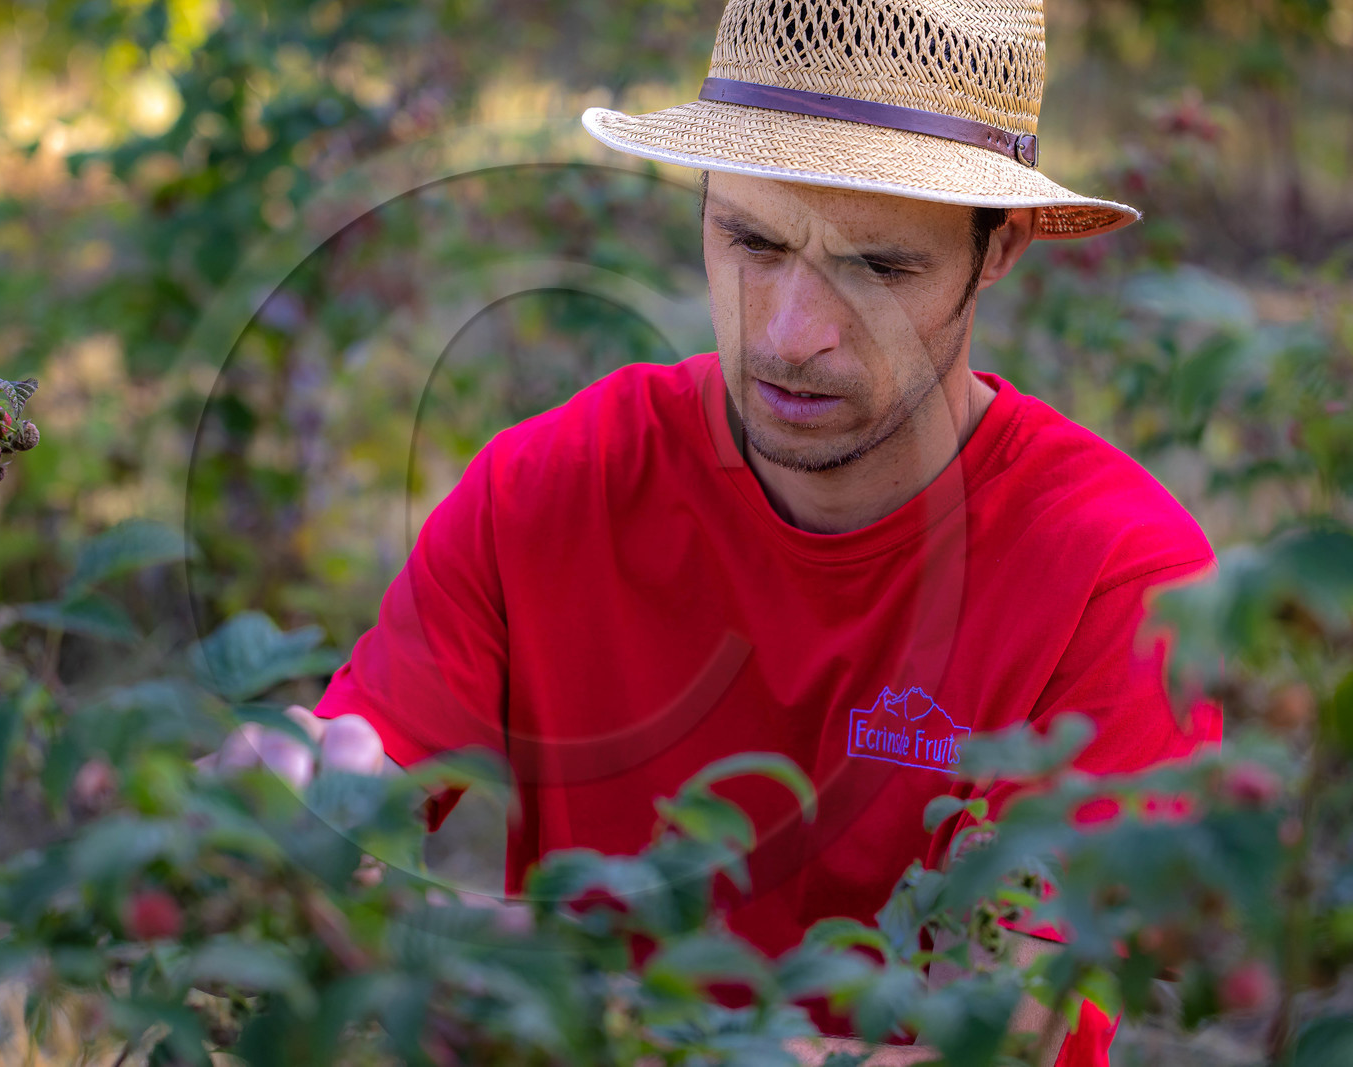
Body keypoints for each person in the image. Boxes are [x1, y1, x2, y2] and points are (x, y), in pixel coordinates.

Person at [212, 0, 1221, 1062]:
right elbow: (362, 771)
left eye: (878, 268)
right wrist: (300, 793)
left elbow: (1001, 1037)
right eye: (752, 239)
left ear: (999, 246)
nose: (792, 335)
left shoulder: (1124, 581)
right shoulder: (550, 487)